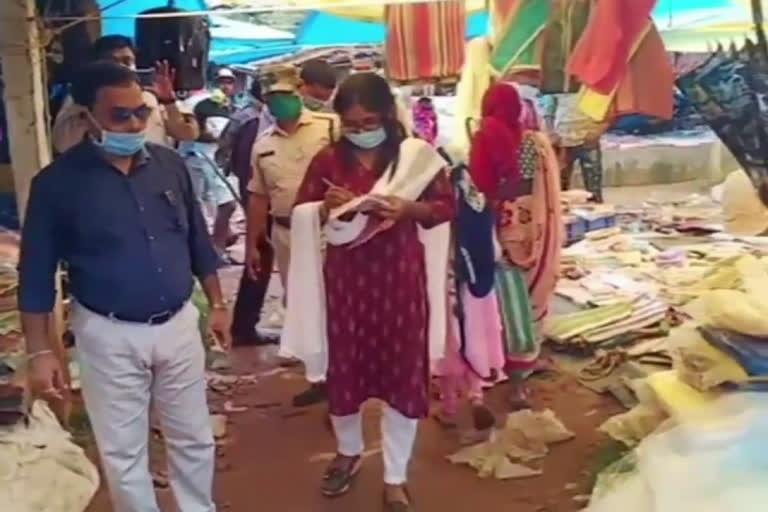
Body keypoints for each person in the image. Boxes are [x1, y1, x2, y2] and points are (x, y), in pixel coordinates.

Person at [19, 61, 229, 512]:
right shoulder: (57, 185)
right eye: (120, 116)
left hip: (177, 324)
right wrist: (40, 353)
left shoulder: (169, 165)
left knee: (192, 437)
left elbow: (197, 239)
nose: (134, 124)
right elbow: (35, 273)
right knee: (123, 450)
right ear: (88, 116)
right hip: (107, 332)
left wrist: (218, 302)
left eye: (141, 111)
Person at [286, 72, 454, 510]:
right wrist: (324, 208)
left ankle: (395, 476)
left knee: (401, 372)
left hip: (399, 279)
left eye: (369, 122)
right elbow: (301, 211)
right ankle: (348, 452)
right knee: (347, 369)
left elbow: (445, 206)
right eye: (352, 125)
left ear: (387, 116)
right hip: (348, 281)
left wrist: (407, 207)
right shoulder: (328, 160)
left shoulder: (414, 157)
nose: (361, 132)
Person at [247, 64, 339, 405]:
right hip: (286, 234)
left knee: (335, 300)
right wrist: (254, 243)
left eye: (285, 95)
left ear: (298, 92)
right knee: (302, 302)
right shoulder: (262, 146)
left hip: (331, 228)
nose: (279, 102)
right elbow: (258, 196)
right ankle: (319, 377)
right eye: (272, 97)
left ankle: (343, 377)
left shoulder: (330, 127)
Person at [471, 82, 563, 407]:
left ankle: (498, 369)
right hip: (538, 230)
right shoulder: (536, 142)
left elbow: (481, 190)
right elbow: (543, 187)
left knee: (506, 306)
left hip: (500, 232)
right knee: (533, 299)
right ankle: (522, 374)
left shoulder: (485, 136)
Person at [52, 35, 198, 154]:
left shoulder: (151, 95)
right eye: (113, 61)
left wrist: (168, 101)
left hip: (154, 175)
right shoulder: (80, 97)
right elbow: (63, 144)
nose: (121, 66)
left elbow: (188, 134)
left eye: (127, 61)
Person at [179, 67, 239, 254]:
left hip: (211, 156)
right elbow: (184, 129)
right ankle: (213, 245)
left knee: (210, 198)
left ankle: (215, 240)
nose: (225, 85)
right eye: (222, 81)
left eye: (229, 81)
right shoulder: (198, 102)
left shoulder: (229, 105)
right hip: (196, 155)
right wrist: (203, 135)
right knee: (204, 200)